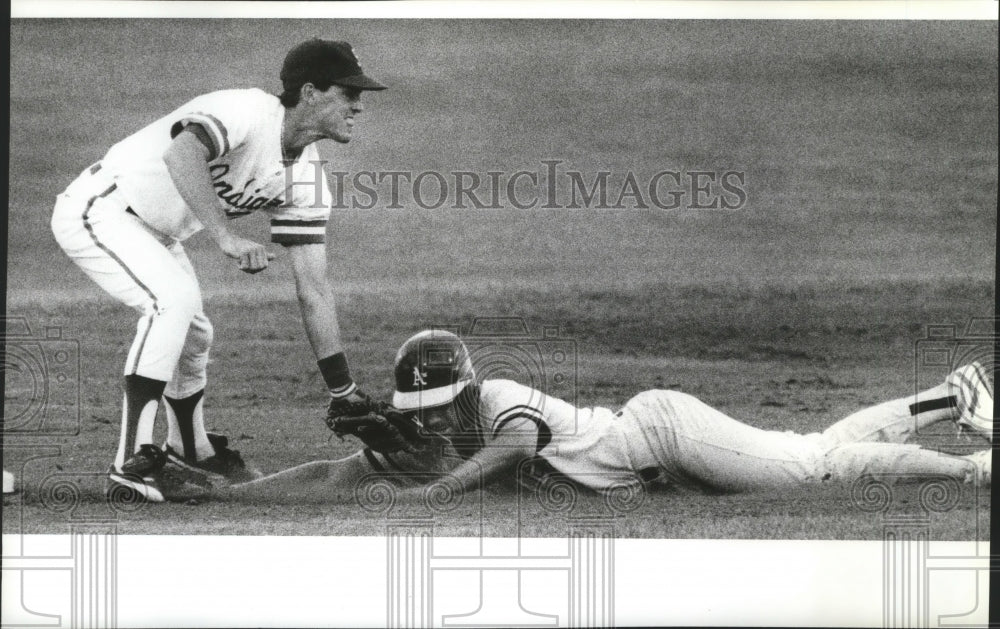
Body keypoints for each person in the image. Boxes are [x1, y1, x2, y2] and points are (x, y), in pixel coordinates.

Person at [50, 39, 389, 503]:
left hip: (157, 233)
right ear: (310, 92)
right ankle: (132, 461)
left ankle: (190, 448)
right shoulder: (248, 110)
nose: (358, 106)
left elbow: (315, 290)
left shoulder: (307, 181)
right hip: (100, 207)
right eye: (349, 93)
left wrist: (342, 390)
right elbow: (181, 154)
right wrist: (225, 236)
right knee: (170, 301)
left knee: (194, 334)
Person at [214, 330, 992, 504]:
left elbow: (512, 446)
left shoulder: (495, 398)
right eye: (423, 407)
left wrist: (427, 493)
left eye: (443, 399)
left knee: (817, 468)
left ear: (464, 385)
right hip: (660, 464)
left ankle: (972, 466)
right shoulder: (430, 433)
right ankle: (951, 397)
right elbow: (331, 472)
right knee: (811, 448)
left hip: (663, 432)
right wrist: (218, 496)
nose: (439, 412)